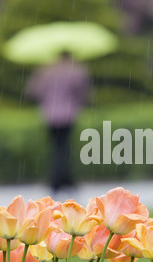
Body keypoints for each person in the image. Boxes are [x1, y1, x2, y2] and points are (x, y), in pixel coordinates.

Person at [26, 51, 90, 193]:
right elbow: (84, 92)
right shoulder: (76, 70)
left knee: (57, 148)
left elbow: (32, 90)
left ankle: (61, 180)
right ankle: (61, 180)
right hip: (68, 114)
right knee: (63, 148)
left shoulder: (45, 70)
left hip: (49, 115)